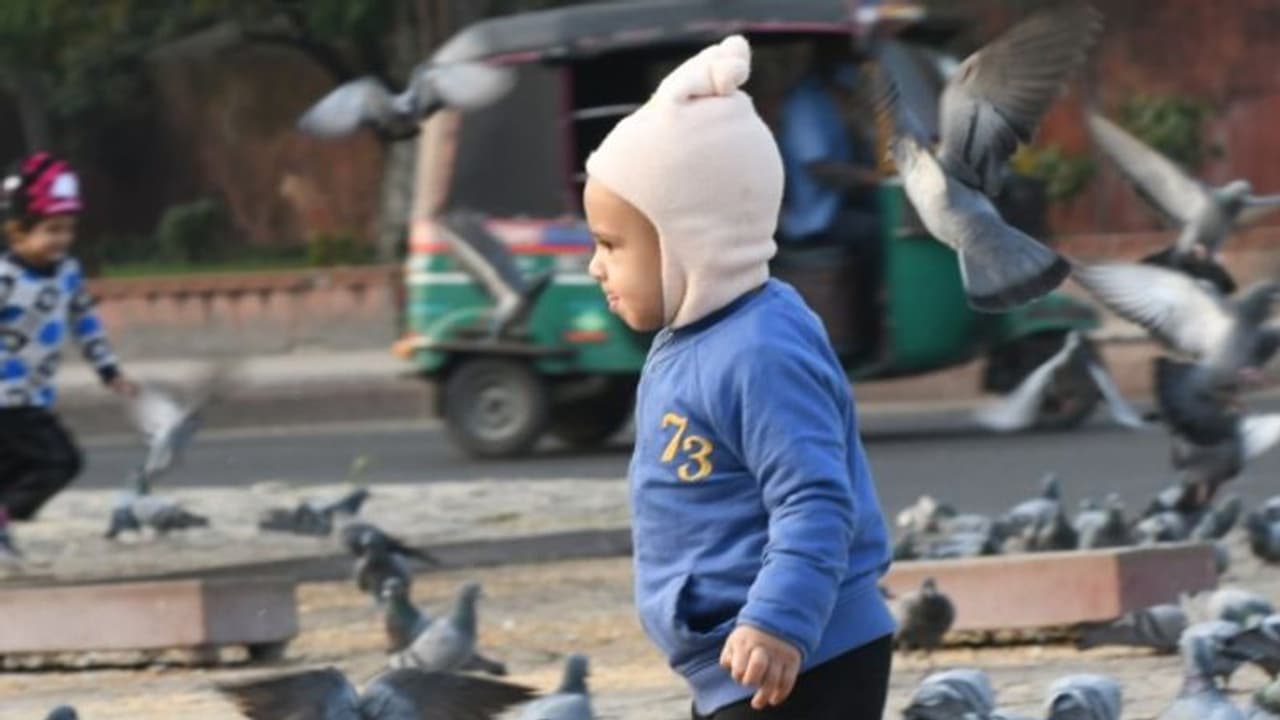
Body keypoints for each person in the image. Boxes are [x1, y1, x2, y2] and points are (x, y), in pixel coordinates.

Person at [582, 36, 895, 720]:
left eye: (610, 244)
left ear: (688, 241)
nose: (594, 265)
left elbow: (815, 497)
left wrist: (779, 620)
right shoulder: (693, 338)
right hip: (740, 659)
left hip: (800, 652)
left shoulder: (758, 349)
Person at [0, 151, 137, 522]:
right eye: (52, 229)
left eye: (68, 228)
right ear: (18, 231)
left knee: (16, 470)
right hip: (8, 398)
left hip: (34, 394)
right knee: (59, 462)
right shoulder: (6, 277)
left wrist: (108, 369)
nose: (63, 238)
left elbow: (85, 321)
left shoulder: (67, 272)